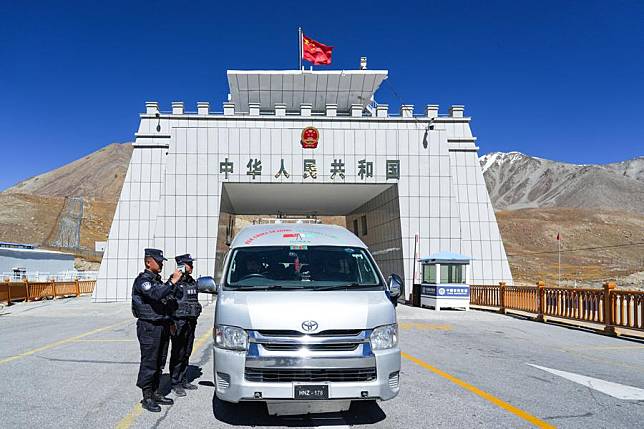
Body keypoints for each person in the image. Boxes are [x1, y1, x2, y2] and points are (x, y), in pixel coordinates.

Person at [131, 248, 182, 413]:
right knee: (150, 362)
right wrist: (171, 282)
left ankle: (156, 392)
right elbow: (155, 294)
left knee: (160, 361)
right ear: (148, 262)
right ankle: (147, 396)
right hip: (149, 327)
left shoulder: (158, 281)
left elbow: (167, 301)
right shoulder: (143, 281)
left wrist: (171, 320)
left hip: (162, 325)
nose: (161, 264)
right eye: (158, 261)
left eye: (161, 261)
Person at [169, 254, 202, 397]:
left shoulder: (192, 282)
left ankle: (183, 379)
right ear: (182, 265)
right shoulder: (174, 281)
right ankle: (175, 382)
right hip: (178, 322)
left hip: (190, 321)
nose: (192, 266)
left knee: (187, 351)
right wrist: (171, 322)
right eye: (189, 264)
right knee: (178, 352)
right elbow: (168, 302)